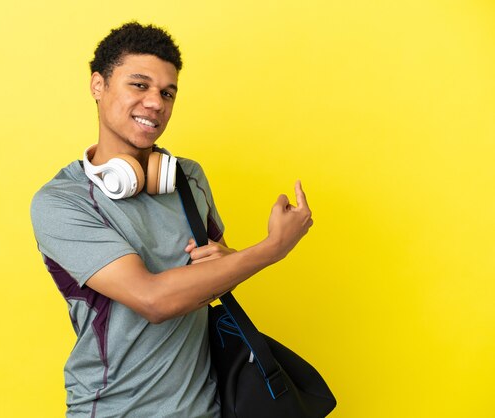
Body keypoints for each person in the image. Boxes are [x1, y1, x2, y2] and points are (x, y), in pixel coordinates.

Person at [30, 22, 313, 418]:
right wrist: (272, 248)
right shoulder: (62, 202)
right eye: (139, 85)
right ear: (98, 85)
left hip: (206, 409)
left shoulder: (188, 178)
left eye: (167, 93)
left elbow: (211, 275)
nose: (155, 103)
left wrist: (228, 257)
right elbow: (153, 299)